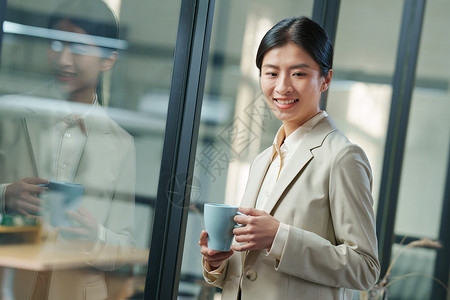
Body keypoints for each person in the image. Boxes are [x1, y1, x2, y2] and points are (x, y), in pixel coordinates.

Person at [199, 16, 380, 299]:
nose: (282, 87)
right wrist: (217, 261)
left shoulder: (343, 157)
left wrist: (279, 237)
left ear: (325, 79)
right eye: (271, 73)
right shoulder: (262, 160)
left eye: (298, 74)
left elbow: (365, 268)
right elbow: (249, 271)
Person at [0, 1, 135, 299]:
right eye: (56, 44)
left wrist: (95, 238)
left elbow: (126, 248)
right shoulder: (8, 113)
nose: (63, 59)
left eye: (77, 48)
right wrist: (4, 196)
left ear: (108, 59)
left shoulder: (121, 142)